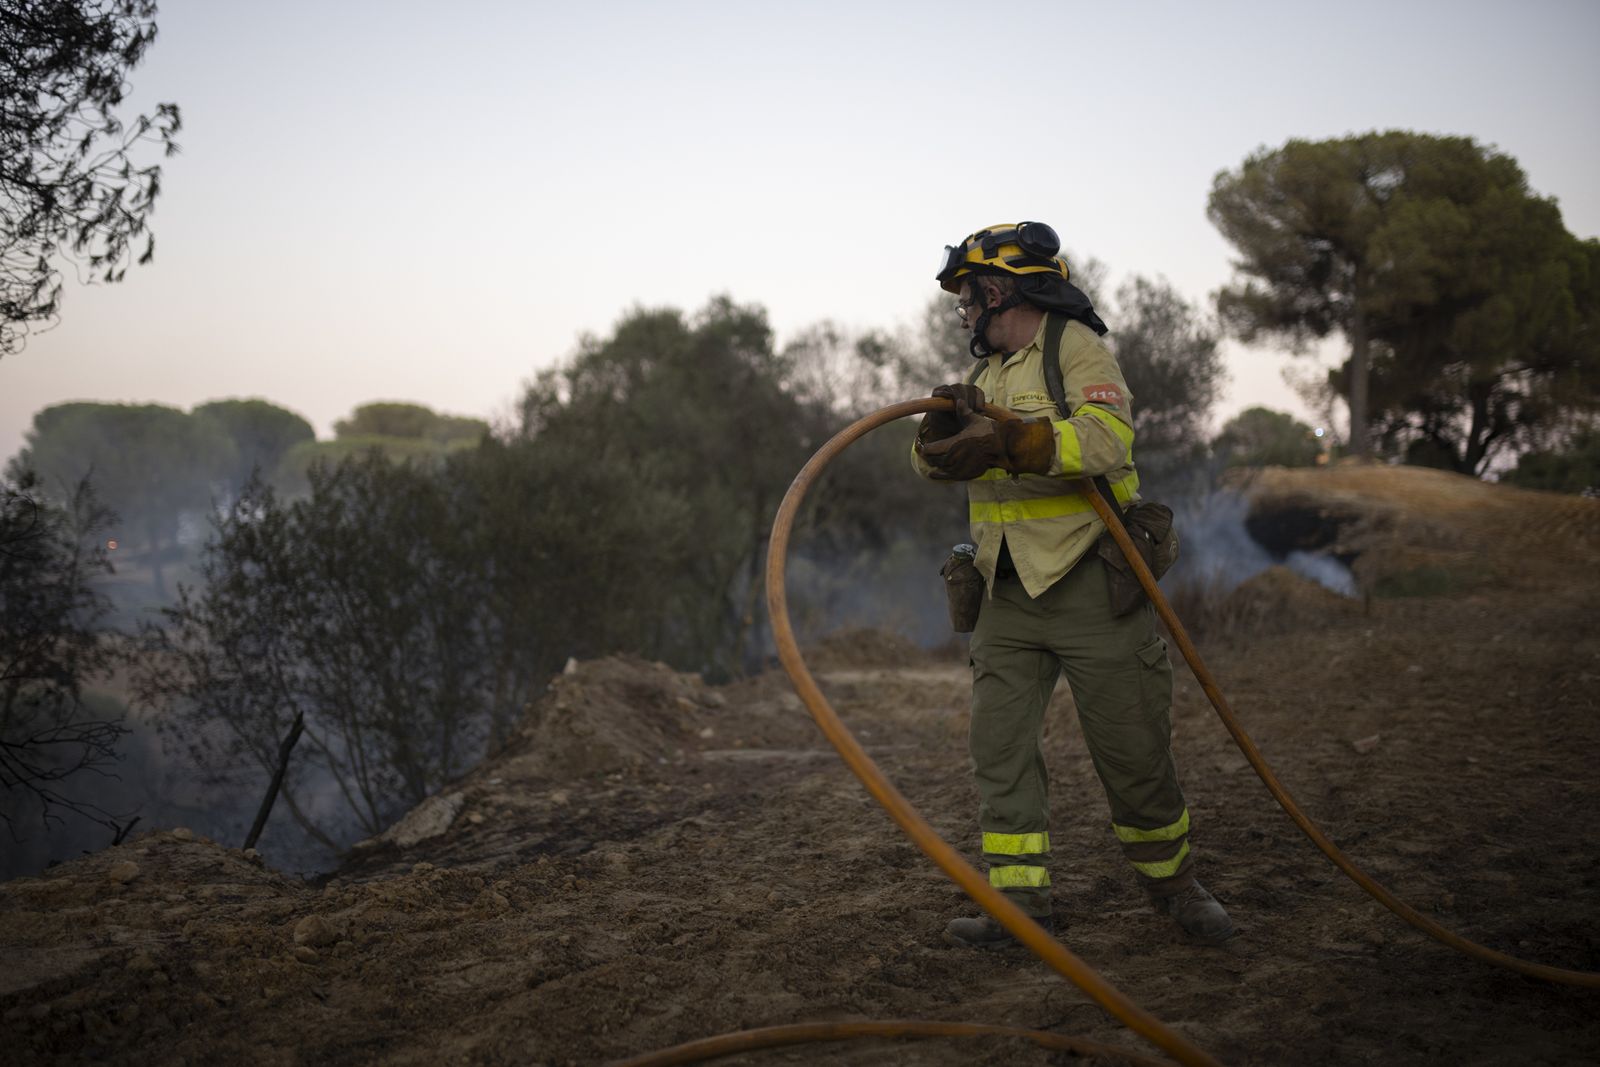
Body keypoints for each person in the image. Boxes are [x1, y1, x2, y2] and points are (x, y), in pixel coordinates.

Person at [914, 222, 1233, 948]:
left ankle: (1176, 887)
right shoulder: (989, 376)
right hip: (1006, 592)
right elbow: (943, 464)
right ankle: (1020, 906)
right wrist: (935, 444)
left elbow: (1106, 439)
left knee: (1133, 750)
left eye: (969, 296)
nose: (964, 311)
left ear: (998, 290)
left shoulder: (1074, 349)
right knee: (998, 751)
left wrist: (1012, 441)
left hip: (1090, 583)